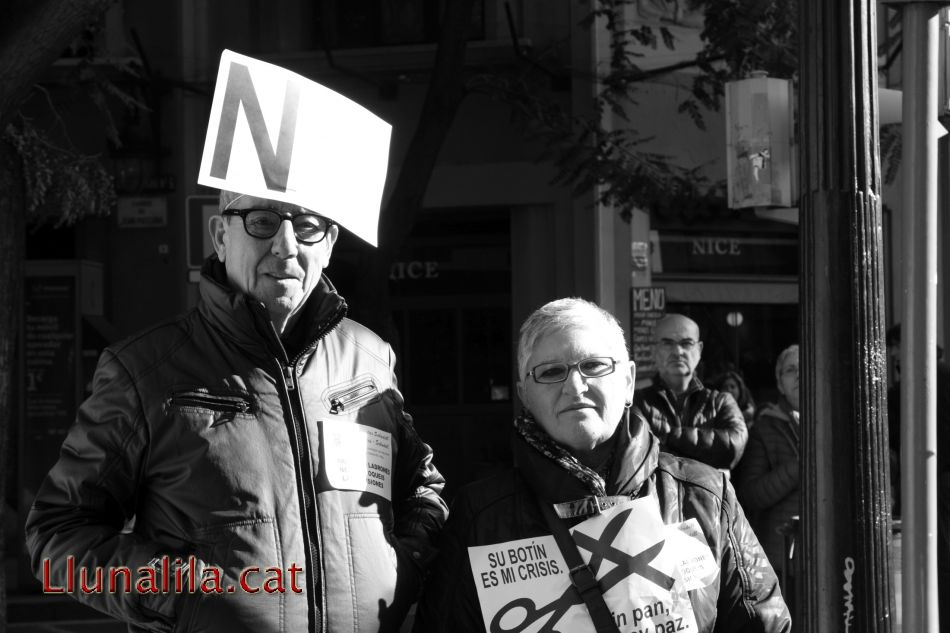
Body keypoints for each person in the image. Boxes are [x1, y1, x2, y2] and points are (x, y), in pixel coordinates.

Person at [25, 190, 448, 633]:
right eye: (263, 221)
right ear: (221, 235)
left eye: (306, 225)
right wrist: (178, 597)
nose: (286, 245)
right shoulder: (143, 370)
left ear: (329, 243)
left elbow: (421, 487)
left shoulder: (370, 359)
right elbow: (55, 535)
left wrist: (407, 563)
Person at [414, 298, 790, 633]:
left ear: (628, 382)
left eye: (593, 366)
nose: (575, 386)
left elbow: (763, 622)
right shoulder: (481, 516)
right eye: (550, 371)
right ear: (524, 394)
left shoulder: (703, 494)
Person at [632, 313, 748, 470]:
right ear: (654, 350)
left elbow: (733, 448)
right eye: (668, 343)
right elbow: (637, 456)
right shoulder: (636, 401)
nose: (678, 351)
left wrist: (668, 436)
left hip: (710, 495)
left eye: (686, 343)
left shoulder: (720, 403)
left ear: (699, 350)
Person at [734, 345, 801, 592]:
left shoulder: (836, 421)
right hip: (783, 555)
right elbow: (752, 495)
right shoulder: (764, 429)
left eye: (805, 368)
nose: (799, 375)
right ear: (780, 384)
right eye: (790, 370)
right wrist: (800, 467)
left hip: (832, 550)